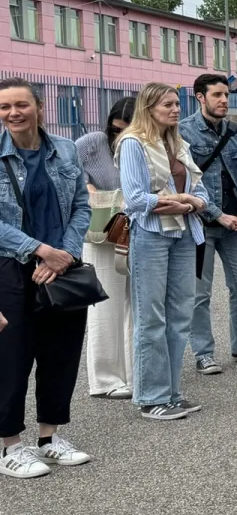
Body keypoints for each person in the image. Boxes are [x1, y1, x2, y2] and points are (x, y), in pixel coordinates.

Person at [0, 78, 93, 478]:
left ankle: (49, 438)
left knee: (61, 354)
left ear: (39, 107)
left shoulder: (65, 149)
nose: (13, 113)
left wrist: (64, 254)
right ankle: (10, 446)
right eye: (4, 107)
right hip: (11, 266)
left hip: (61, 266)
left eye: (21, 104)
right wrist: (40, 249)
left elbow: (82, 206)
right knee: (11, 358)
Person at [119, 82, 211, 421]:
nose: (175, 110)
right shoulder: (133, 143)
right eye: (167, 105)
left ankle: (171, 392)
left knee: (181, 315)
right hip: (151, 236)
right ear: (148, 108)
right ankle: (151, 397)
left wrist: (189, 202)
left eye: (176, 104)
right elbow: (135, 199)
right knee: (151, 317)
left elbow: (202, 192)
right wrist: (183, 200)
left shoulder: (177, 143)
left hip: (185, 233)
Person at [180, 73, 237, 373]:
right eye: (217, 95)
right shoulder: (182, 133)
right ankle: (203, 353)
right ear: (200, 97)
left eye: (226, 95)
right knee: (200, 294)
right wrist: (216, 214)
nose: (224, 101)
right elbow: (186, 183)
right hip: (200, 226)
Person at [75, 96, 136, 399]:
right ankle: (105, 380)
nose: (119, 136)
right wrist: (88, 188)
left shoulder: (147, 143)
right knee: (104, 304)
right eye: (115, 130)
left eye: (127, 130)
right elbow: (74, 176)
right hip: (102, 230)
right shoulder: (91, 143)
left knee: (137, 304)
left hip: (138, 228)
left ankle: (137, 373)